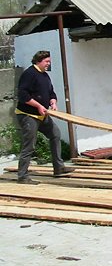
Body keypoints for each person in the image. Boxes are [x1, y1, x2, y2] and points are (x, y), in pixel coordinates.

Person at [15, 50, 74, 184]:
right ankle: (22, 176)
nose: (48, 64)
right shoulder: (29, 74)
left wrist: (53, 101)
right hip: (28, 115)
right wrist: (38, 106)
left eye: (49, 62)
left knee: (55, 134)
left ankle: (58, 168)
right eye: (46, 62)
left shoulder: (45, 76)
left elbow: (51, 92)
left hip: (42, 115)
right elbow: (23, 95)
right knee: (29, 145)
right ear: (38, 61)